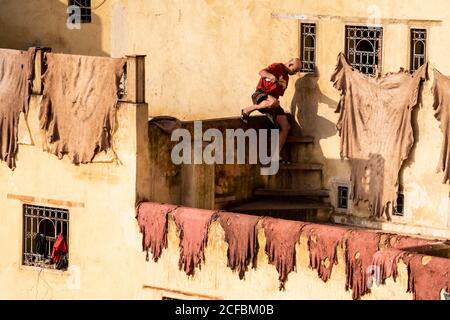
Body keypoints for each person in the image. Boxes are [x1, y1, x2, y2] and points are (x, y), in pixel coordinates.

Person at [241, 58, 301, 159]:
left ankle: (276, 154)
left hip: (272, 102)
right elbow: (261, 72)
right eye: (294, 70)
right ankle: (248, 110)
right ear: (290, 64)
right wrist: (271, 76)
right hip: (260, 95)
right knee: (273, 101)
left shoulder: (286, 78)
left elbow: (278, 93)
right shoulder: (277, 66)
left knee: (286, 127)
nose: (294, 73)